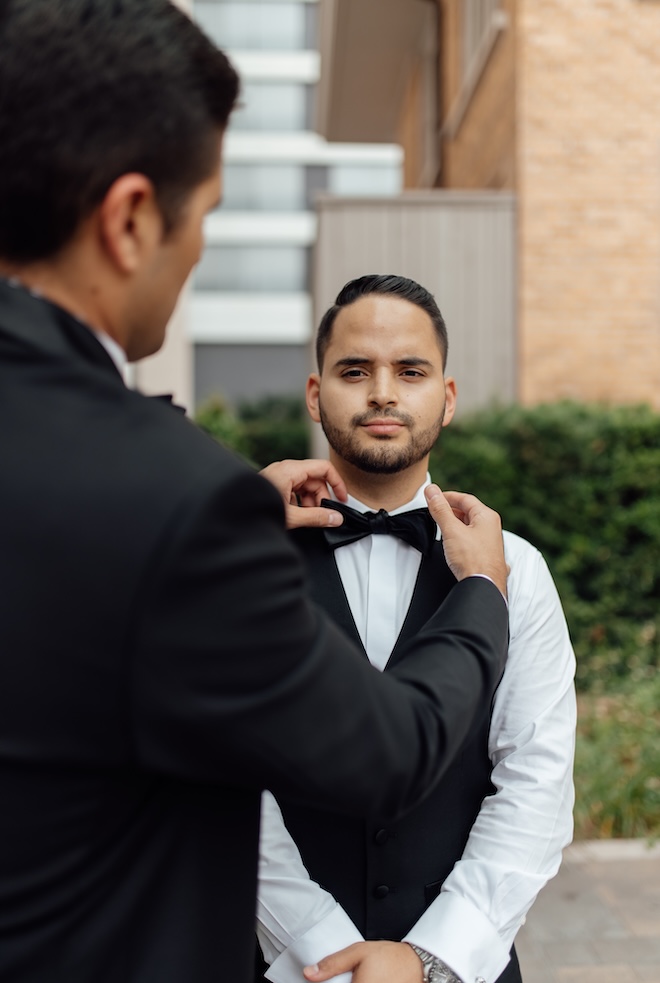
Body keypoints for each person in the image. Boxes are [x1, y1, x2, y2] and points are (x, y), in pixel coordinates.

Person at [0, 5, 511, 983]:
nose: (196, 253)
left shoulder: (174, 495)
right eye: (207, 214)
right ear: (132, 218)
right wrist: (479, 593)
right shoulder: (175, 501)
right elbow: (387, 747)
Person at [256, 275, 577, 983]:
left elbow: (537, 780)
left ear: (447, 397)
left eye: (410, 370)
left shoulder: (515, 568)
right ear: (316, 395)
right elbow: (222, 776)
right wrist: (320, 948)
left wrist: (432, 956)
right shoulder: (249, 559)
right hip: (283, 966)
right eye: (354, 370)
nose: (381, 392)